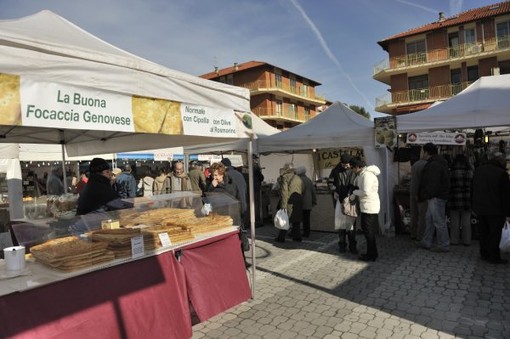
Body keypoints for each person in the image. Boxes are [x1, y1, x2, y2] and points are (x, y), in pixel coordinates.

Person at [472, 152, 510, 264]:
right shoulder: (502, 173)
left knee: (483, 232)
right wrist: (507, 212)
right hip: (495, 209)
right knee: (494, 233)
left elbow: (473, 188)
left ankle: (484, 253)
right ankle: (494, 256)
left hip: (480, 207)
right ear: (501, 161)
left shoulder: (479, 170)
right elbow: (506, 195)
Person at [417, 143, 451, 252]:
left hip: (436, 196)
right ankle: (427, 241)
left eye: (422, 151)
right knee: (430, 219)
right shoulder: (438, 162)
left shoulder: (434, 164)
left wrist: (427, 194)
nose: (421, 153)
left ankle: (443, 244)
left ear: (426, 152)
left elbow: (432, 183)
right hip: (437, 196)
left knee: (438, 220)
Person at [349, 157, 380, 262]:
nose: (352, 170)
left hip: (369, 207)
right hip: (367, 206)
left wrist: (354, 193)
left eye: (353, 168)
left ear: (358, 167)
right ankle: (372, 253)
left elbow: (365, 192)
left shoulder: (367, 175)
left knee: (369, 232)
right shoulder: (362, 175)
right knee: (368, 231)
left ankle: (371, 255)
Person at [330, 153, 357, 253]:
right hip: (339, 201)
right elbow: (330, 182)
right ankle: (342, 245)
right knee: (341, 225)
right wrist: (334, 191)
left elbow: (357, 184)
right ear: (341, 163)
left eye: (348, 164)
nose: (346, 166)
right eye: (344, 164)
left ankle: (353, 246)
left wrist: (353, 193)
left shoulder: (354, 170)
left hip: (351, 201)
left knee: (351, 226)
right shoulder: (335, 170)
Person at [448, 154, 474, 246]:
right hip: (466, 198)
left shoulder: (452, 171)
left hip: (454, 198)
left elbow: (449, 186)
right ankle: (467, 241)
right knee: (466, 221)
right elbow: (472, 186)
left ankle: (454, 240)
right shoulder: (470, 171)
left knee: (454, 221)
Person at [274, 163, 303, 243]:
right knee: (296, 221)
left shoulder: (285, 177)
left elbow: (284, 192)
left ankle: (281, 238)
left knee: (285, 220)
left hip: (289, 202)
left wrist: (283, 206)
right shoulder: (298, 178)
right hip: (298, 201)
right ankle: (297, 237)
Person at [221, 158, 247, 226]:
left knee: (234, 226)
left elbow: (229, 192)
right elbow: (245, 187)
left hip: (233, 205)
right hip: (242, 202)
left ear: (224, 166)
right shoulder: (239, 174)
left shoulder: (227, 175)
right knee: (241, 225)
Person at [409, 151, 428, 241]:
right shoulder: (427, 165)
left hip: (413, 191)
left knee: (414, 214)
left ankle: (413, 233)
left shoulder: (415, 164)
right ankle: (420, 235)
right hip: (421, 193)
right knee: (422, 216)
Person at [296, 166, 317, 238]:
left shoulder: (298, 180)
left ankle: (296, 233)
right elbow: (313, 191)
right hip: (308, 203)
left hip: (300, 203)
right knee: (306, 219)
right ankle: (307, 232)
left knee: (297, 219)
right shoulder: (308, 180)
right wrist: (314, 201)